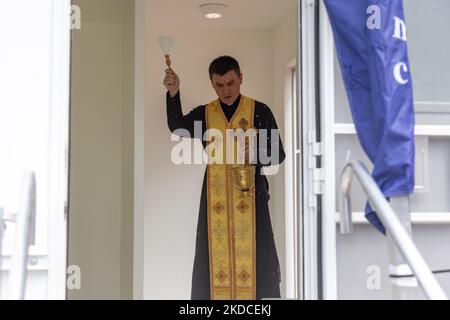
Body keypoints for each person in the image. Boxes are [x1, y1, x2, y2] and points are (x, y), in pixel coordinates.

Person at [164, 56, 285, 300]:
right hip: (215, 201)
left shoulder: (259, 111)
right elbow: (177, 126)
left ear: (241, 78)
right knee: (212, 256)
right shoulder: (206, 114)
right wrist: (174, 92)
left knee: (258, 254)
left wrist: (258, 153)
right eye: (219, 85)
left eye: (230, 83)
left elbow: (278, 154)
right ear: (212, 84)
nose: (226, 90)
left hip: (252, 200)